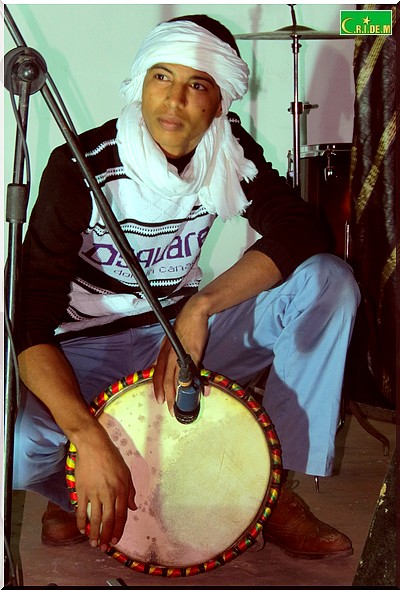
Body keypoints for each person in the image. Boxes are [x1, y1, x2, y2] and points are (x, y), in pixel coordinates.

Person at [13, 14, 360, 560]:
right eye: (162, 77)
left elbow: (299, 229)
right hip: (84, 351)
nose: (174, 100)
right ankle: (75, 486)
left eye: (197, 84)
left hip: (179, 341)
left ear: (219, 103)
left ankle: (272, 492)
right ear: (140, 84)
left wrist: (199, 308)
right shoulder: (79, 166)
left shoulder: (228, 149)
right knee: (17, 448)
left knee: (328, 282)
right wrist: (86, 436)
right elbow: (29, 321)